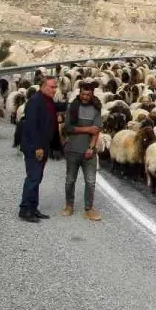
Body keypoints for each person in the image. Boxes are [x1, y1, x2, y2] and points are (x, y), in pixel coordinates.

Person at [17, 75, 58, 223]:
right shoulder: (35, 102)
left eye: (55, 87)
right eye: (52, 87)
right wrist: (38, 147)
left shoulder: (47, 100)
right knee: (33, 178)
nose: (55, 90)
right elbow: (31, 127)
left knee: (37, 177)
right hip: (35, 148)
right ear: (43, 86)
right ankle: (25, 209)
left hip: (43, 146)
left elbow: (56, 108)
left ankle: (33, 208)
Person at [62, 81, 103, 221]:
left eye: (88, 94)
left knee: (90, 181)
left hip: (88, 152)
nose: (85, 97)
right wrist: (87, 129)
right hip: (72, 150)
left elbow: (96, 130)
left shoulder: (96, 109)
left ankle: (89, 208)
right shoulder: (72, 107)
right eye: (83, 94)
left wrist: (91, 148)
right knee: (70, 180)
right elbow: (67, 128)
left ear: (92, 95)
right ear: (79, 93)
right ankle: (69, 205)